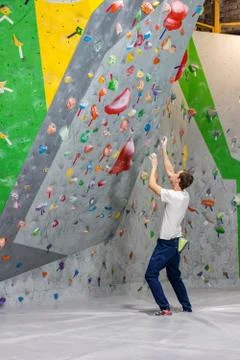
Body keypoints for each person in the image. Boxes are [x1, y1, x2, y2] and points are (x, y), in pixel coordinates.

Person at [145, 136, 194, 316]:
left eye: (175, 175)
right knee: (174, 276)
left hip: (166, 244)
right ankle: (187, 306)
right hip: (177, 242)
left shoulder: (173, 196)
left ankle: (164, 308)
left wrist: (154, 166)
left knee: (150, 275)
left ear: (177, 182)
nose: (172, 174)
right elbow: (170, 170)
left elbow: (151, 184)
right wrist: (164, 148)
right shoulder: (184, 194)